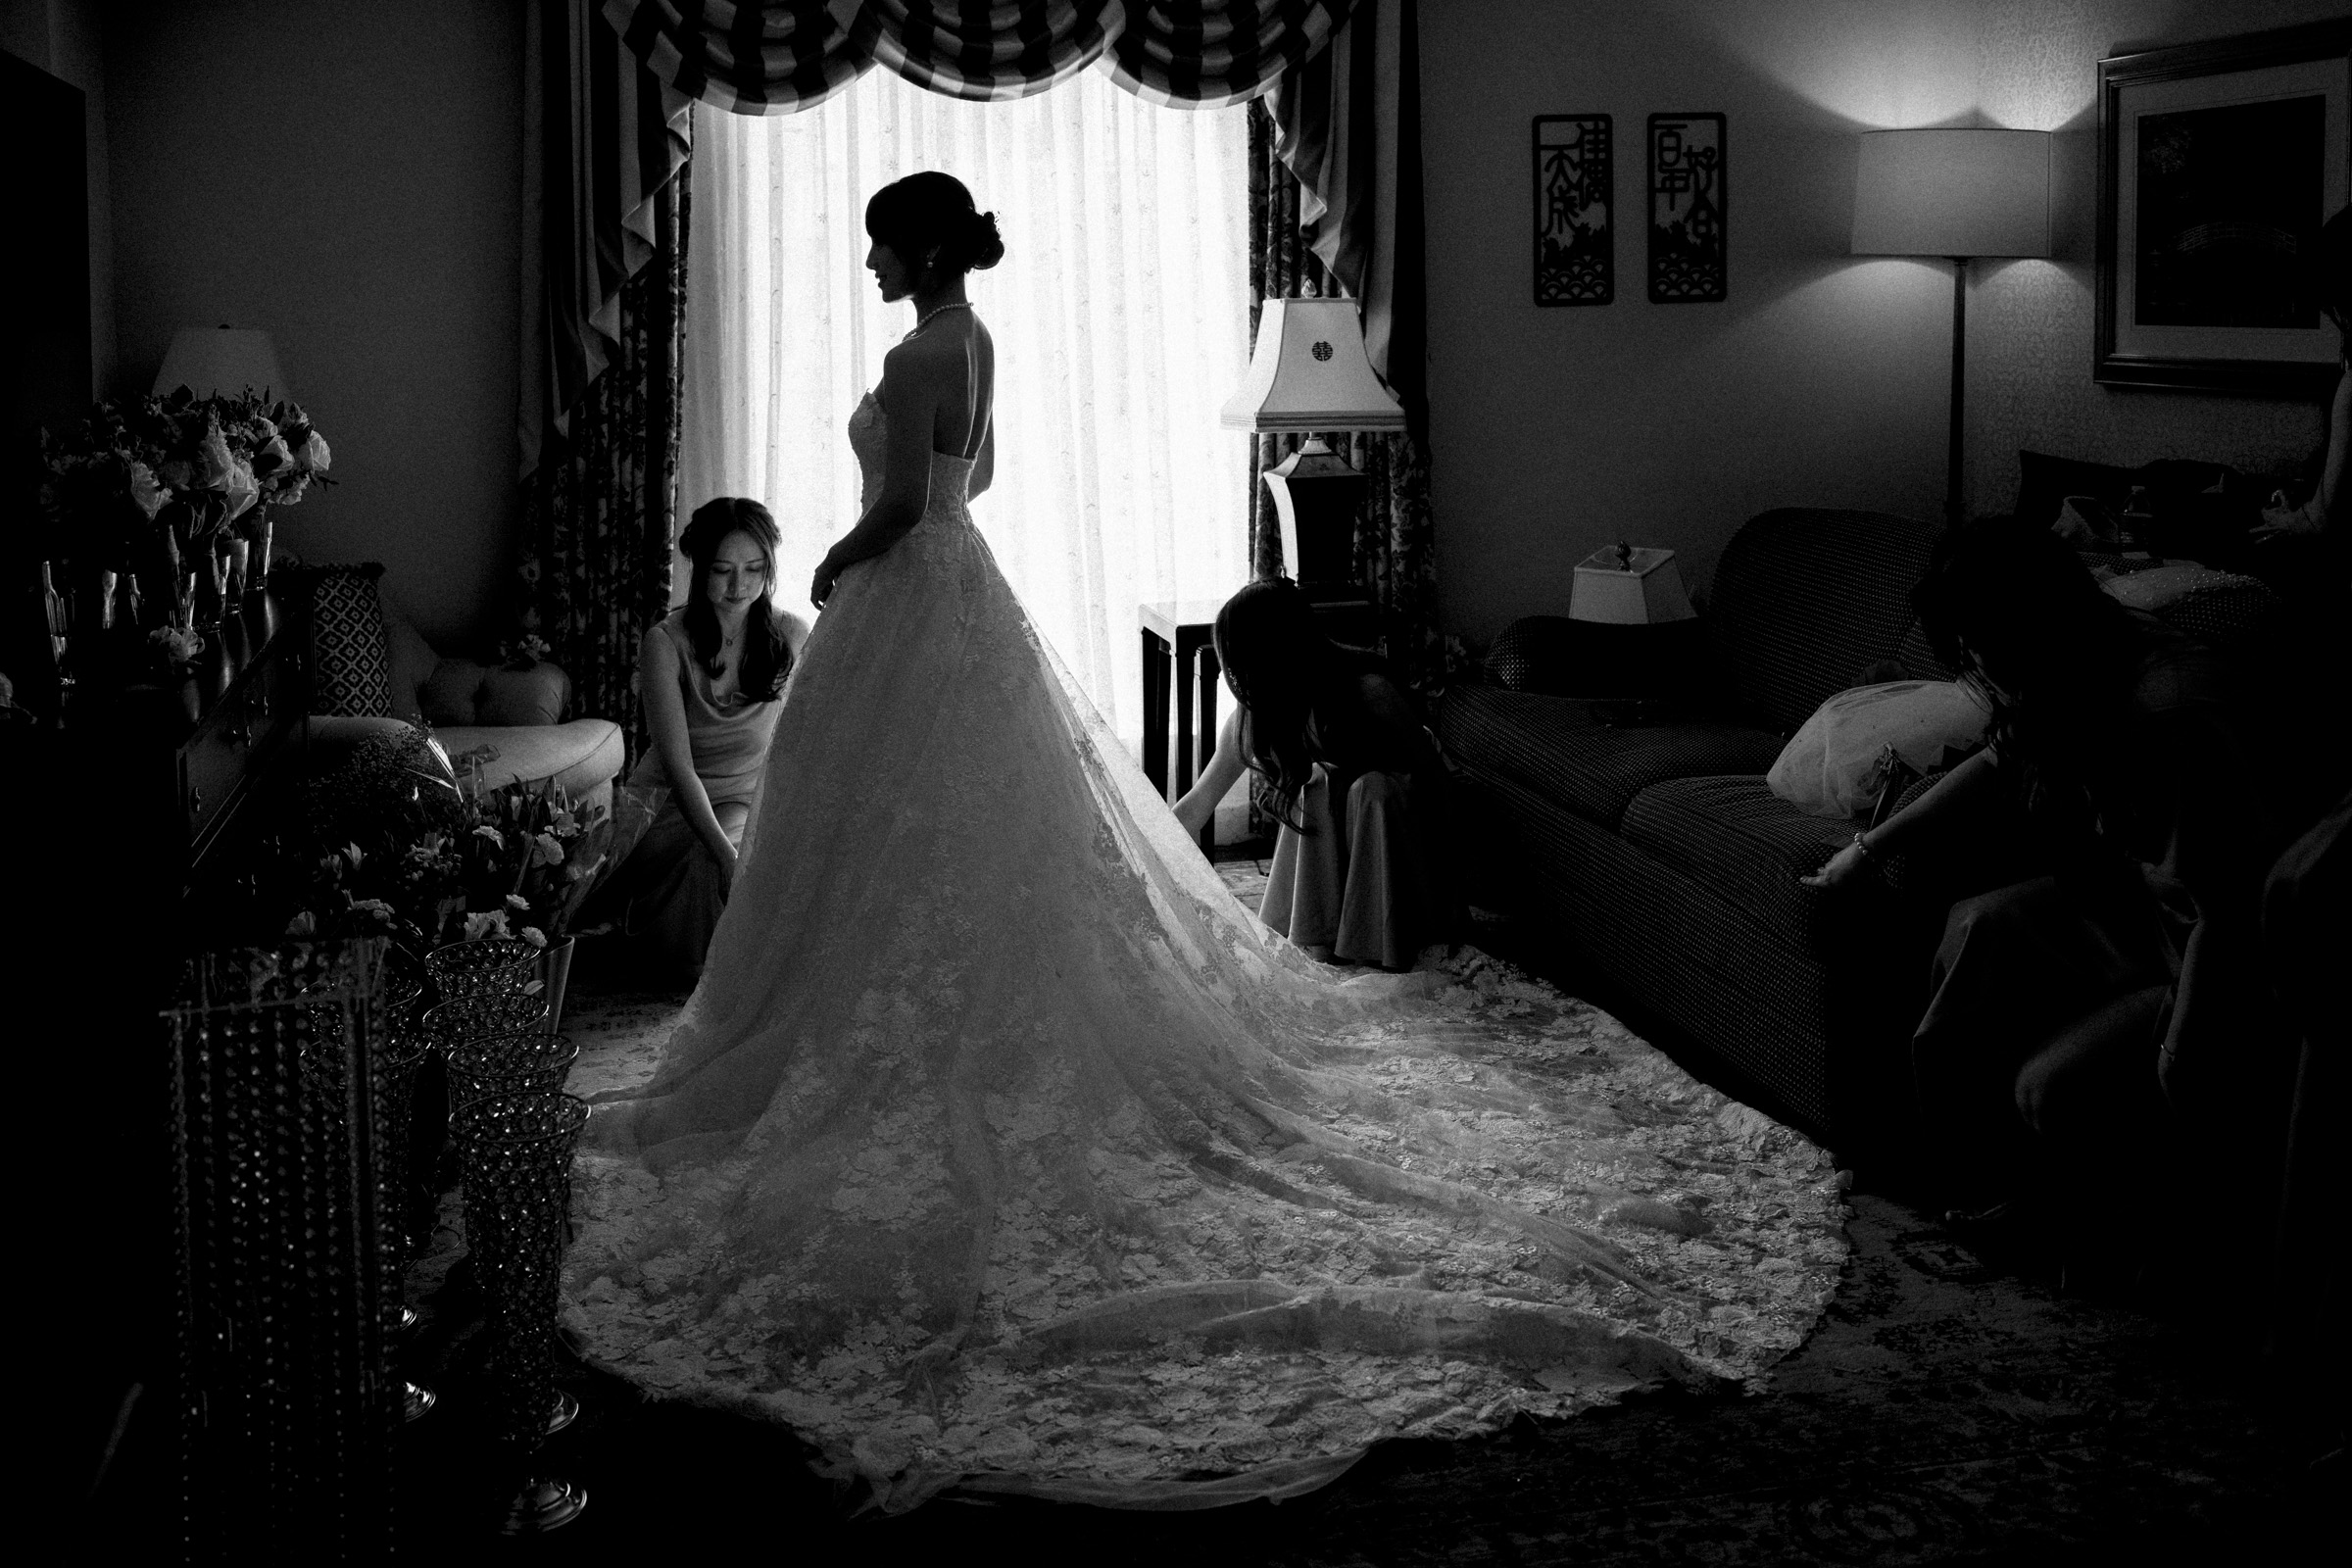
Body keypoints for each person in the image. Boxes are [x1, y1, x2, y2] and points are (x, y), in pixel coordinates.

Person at [564, 172, 1846, 1510]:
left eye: (884, 237)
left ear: (926, 241)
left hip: (902, 586)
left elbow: (900, 506)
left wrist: (832, 556)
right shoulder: (977, 340)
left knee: (891, 822)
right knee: (961, 820)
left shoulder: (912, 347)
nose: (871, 257)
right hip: (963, 587)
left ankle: (879, 1008)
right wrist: (898, 520)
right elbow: (974, 477)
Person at [1803, 517, 2291, 1273]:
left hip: (2229, 953)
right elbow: (2001, 762)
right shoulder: (2062, 667)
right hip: (2140, 909)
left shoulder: (2173, 708)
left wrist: (2179, 1048)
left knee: (2048, 1089)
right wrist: (1865, 850)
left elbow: (2227, 910)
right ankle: (1984, 1197)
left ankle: (2108, 1234)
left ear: (2033, 620)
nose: (1971, 665)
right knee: (1974, 936)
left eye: (1978, 644)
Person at [1173, 579, 1452, 969]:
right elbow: (1198, 804)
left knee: (1366, 787)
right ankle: (1316, 936)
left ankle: (1379, 939)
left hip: (1400, 831)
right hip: (1340, 832)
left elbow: (1437, 783)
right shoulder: (1255, 717)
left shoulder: (1369, 690)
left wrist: (1448, 894)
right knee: (1318, 783)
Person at [600, 498, 805, 979]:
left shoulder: (793, 634)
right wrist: (726, 853)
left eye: (755, 569)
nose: (740, 586)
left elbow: (806, 741)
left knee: (732, 874)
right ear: (698, 567)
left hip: (738, 798)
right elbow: (678, 766)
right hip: (666, 803)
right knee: (710, 865)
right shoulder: (665, 642)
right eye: (723, 570)